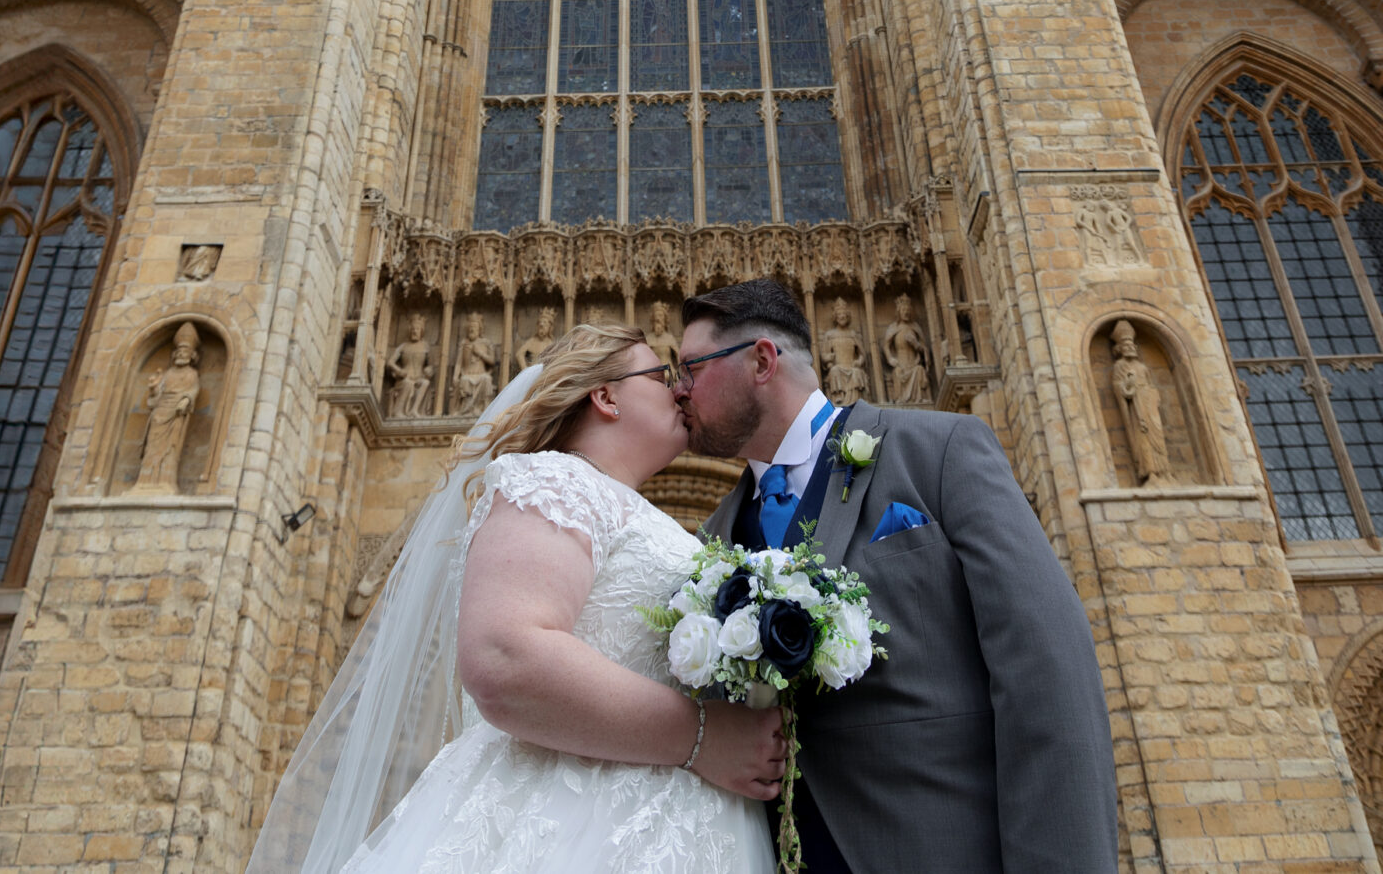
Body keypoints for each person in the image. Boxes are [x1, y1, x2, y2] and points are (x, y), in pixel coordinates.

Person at [246, 324, 781, 874]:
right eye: (661, 375)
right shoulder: (556, 482)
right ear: (605, 396)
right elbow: (506, 653)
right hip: (574, 822)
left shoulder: (625, 507)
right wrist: (702, 736)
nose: (679, 390)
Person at [679, 278, 1119, 874]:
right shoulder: (710, 540)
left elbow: (1049, 674)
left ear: (761, 360)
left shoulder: (937, 452)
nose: (678, 391)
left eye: (690, 368)